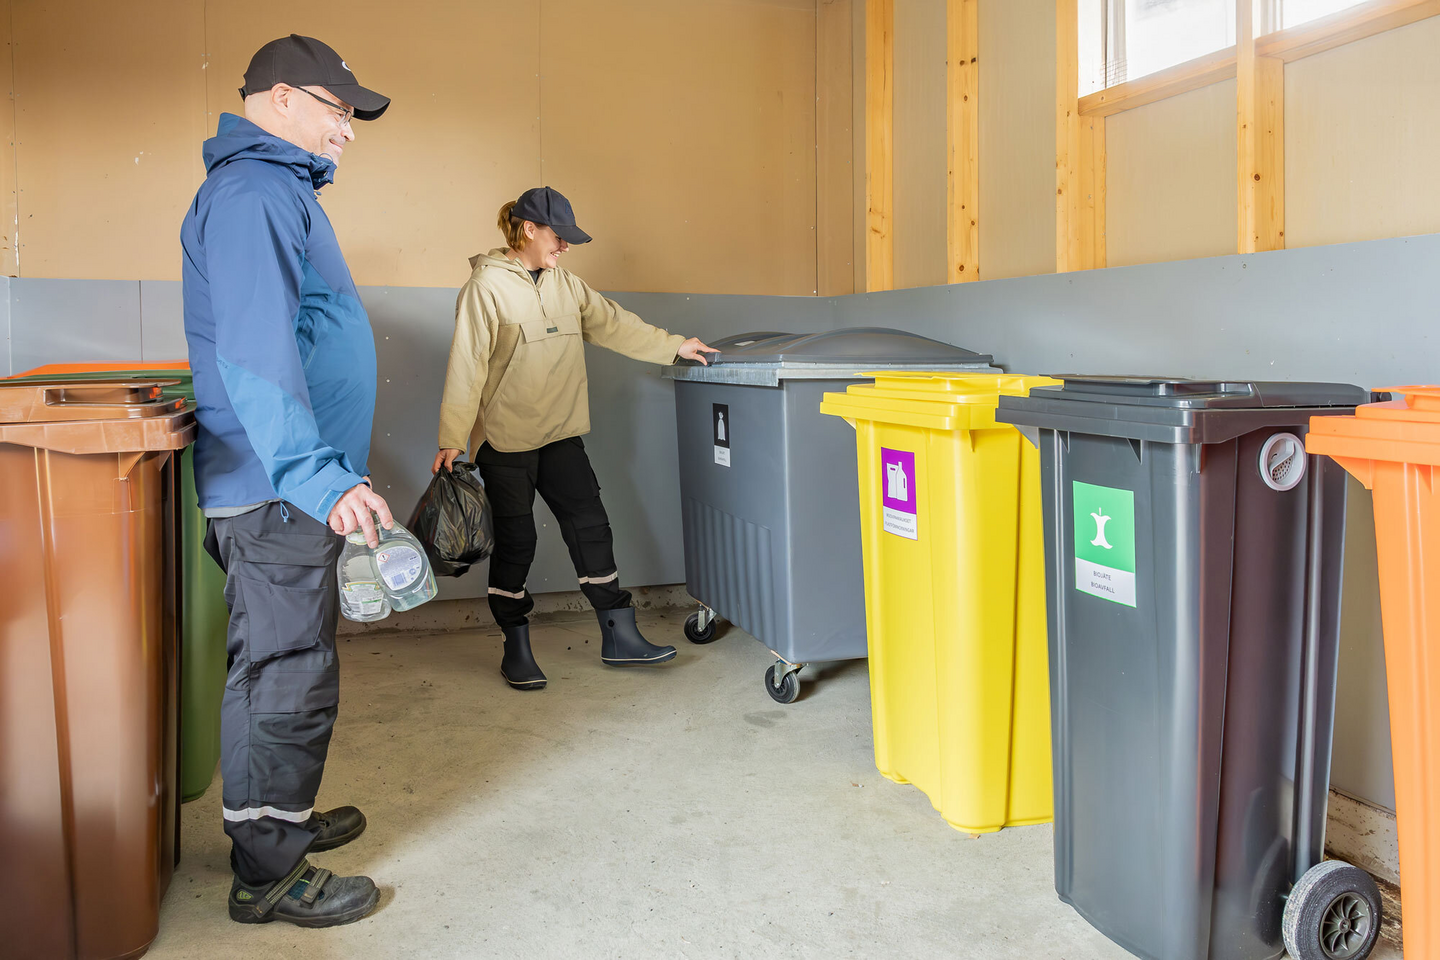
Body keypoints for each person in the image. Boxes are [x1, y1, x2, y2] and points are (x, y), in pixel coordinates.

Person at [180, 34, 393, 928]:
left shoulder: (275, 190)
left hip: (285, 485)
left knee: (282, 663)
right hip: (278, 490)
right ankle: (267, 869)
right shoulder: (255, 192)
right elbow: (257, 351)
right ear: (279, 99)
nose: (348, 129)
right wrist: (318, 476)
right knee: (285, 672)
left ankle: (278, 820)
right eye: (338, 109)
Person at [434, 186, 717, 691]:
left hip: (561, 432)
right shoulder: (486, 287)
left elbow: (616, 325)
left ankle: (619, 635)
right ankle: (516, 647)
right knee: (518, 543)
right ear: (528, 230)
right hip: (506, 441)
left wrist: (675, 346)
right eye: (558, 237)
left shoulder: (568, 285)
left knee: (591, 528)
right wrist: (452, 439)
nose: (564, 247)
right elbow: (466, 364)